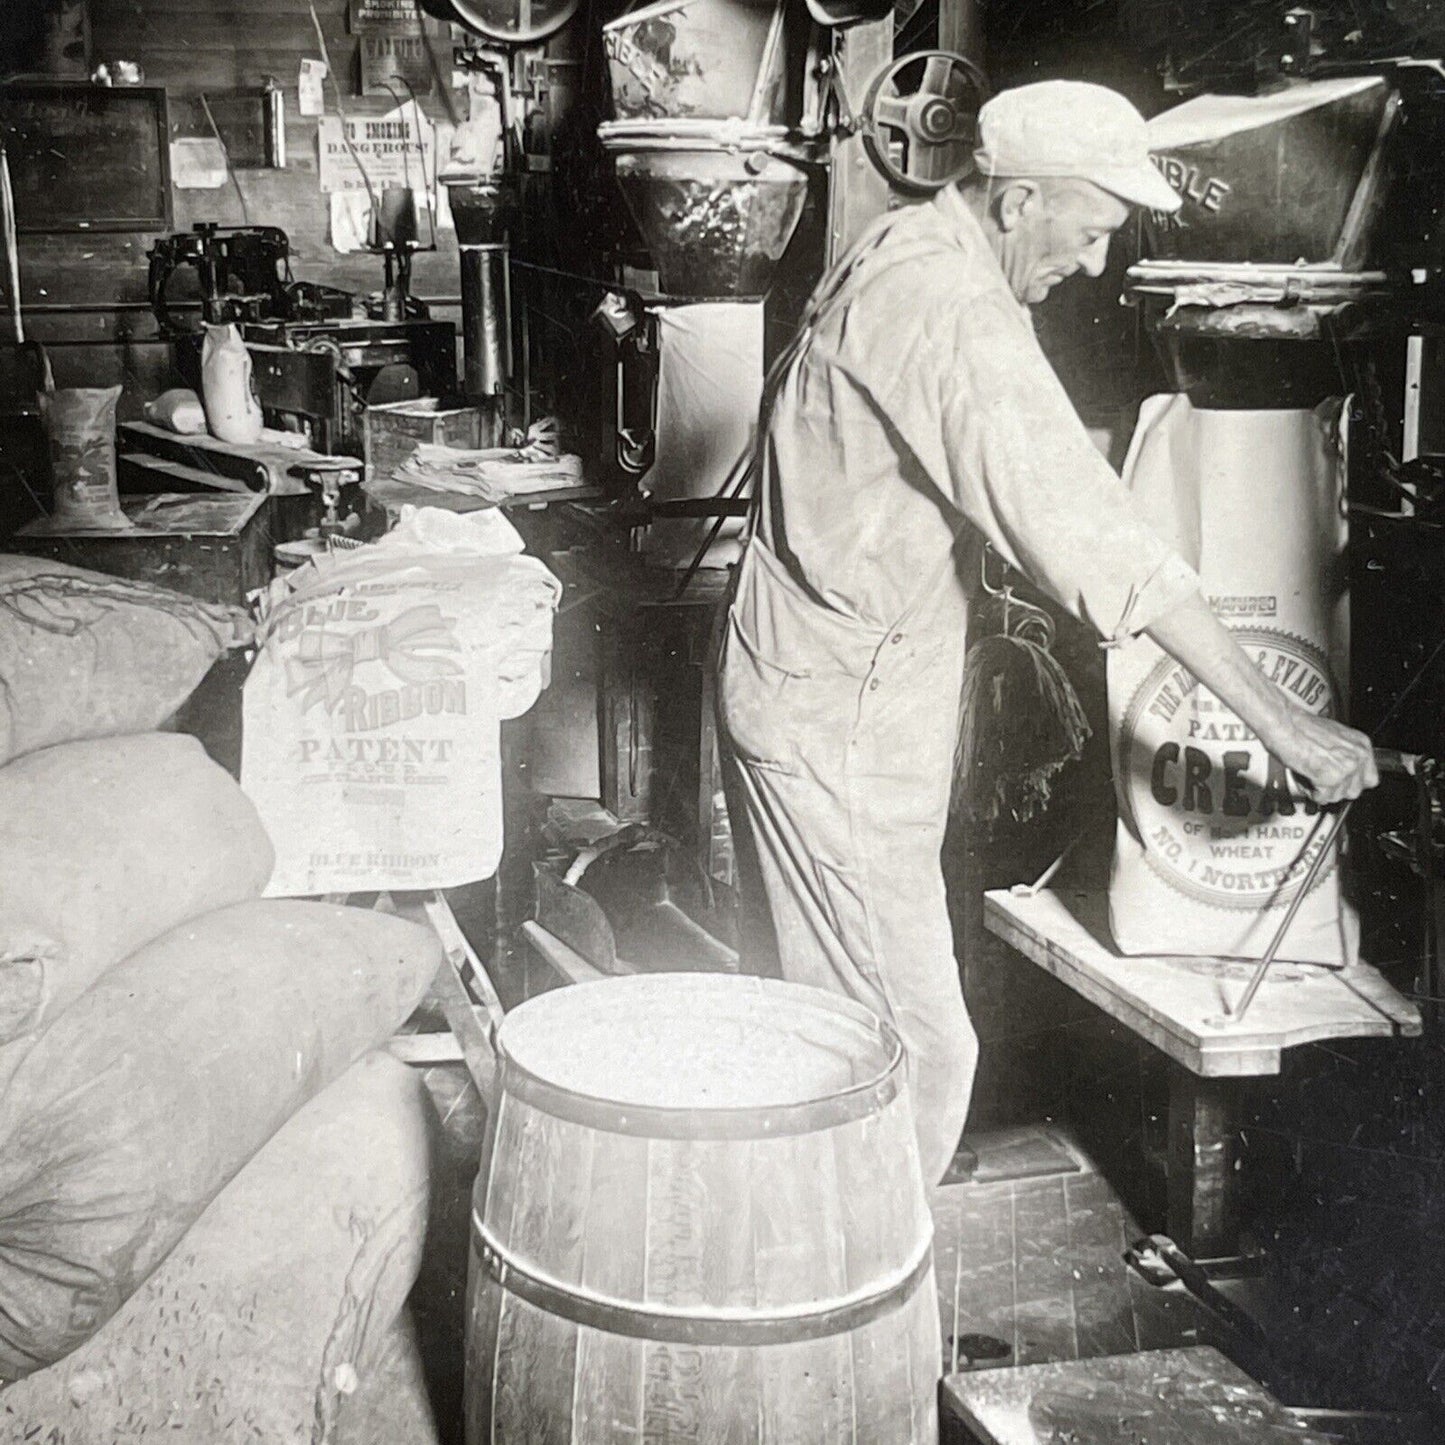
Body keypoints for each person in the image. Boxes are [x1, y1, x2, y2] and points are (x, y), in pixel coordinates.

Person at [716, 79, 1379, 1188]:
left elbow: (974, 442)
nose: (1099, 258)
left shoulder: (914, 238)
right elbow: (1093, 542)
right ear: (1019, 199)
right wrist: (1286, 726)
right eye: (1094, 224)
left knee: (833, 1024)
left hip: (815, 676)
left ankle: (823, 1245)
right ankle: (859, 1310)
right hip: (837, 707)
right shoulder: (952, 305)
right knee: (915, 1046)